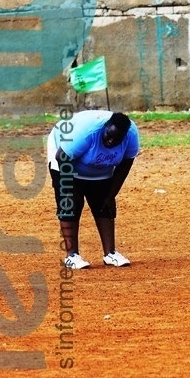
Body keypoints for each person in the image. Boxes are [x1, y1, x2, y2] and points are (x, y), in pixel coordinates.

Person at [47, 109, 140, 269]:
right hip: (64, 158)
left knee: (104, 203)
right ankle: (72, 255)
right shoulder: (87, 132)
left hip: (99, 166)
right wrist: (69, 189)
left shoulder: (131, 135)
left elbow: (125, 165)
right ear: (104, 128)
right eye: (108, 136)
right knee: (71, 203)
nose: (111, 142)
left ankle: (110, 253)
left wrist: (111, 195)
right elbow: (62, 157)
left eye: (116, 139)